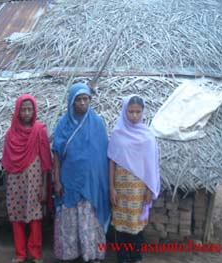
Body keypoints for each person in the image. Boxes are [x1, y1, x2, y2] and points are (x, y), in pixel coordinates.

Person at [52, 83, 110, 263]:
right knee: (69, 219)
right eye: (78, 99)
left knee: (90, 219)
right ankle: (70, 253)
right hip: (70, 181)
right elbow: (56, 155)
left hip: (92, 183)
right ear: (71, 101)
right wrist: (57, 181)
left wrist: (103, 183)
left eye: (86, 99)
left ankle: (92, 254)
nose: (83, 103)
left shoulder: (98, 123)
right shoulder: (63, 124)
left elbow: (102, 156)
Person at [108, 95, 160, 263]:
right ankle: (122, 257)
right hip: (121, 187)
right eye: (131, 112)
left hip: (139, 189)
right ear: (125, 111)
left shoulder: (148, 136)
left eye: (138, 112)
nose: (135, 116)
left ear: (143, 112)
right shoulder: (117, 133)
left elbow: (150, 166)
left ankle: (136, 256)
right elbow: (112, 161)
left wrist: (149, 189)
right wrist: (111, 187)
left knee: (137, 226)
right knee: (122, 227)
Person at [1, 94, 52, 263]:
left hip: (35, 181)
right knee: (17, 216)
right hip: (15, 181)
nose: (27, 113)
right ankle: (20, 254)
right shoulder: (10, 134)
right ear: (18, 111)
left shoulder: (40, 130)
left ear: (34, 110)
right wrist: (7, 185)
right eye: (23, 109)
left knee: (35, 216)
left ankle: (35, 253)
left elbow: (45, 161)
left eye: (30, 109)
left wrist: (44, 186)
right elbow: (7, 162)